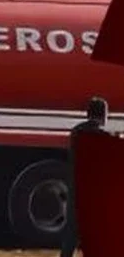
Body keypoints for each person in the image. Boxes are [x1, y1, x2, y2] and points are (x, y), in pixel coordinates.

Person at [61, 96, 109, 257]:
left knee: (71, 237)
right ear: (103, 115)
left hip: (75, 191)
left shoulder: (76, 131)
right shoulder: (101, 135)